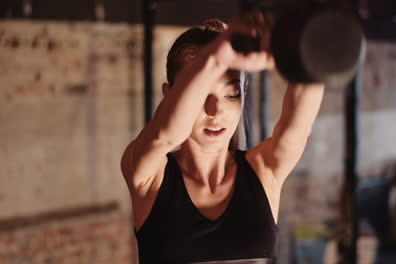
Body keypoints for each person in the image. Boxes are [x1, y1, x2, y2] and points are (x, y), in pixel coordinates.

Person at [120, 12, 324, 264]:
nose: (216, 111)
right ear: (168, 95)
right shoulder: (148, 174)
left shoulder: (264, 171)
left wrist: (308, 43)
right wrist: (217, 57)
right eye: (202, 94)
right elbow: (167, 134)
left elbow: (298, 125)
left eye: (232, 94)